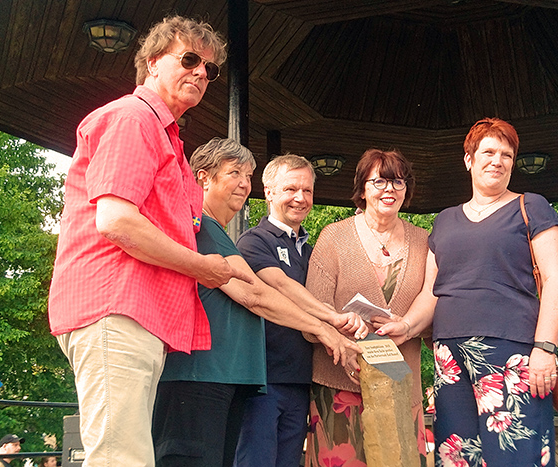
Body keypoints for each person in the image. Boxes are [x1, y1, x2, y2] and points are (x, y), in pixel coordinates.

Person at [47, 16, 251, 467]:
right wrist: (206, 268)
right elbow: (117, 221)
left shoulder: (164, 136)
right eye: (190, 59)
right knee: (122, 458)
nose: (201, 72)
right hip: (116, 306)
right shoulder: (132, 118)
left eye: (210, 69)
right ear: (152, 63)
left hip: (135, 313)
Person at [152, 139, 362, 466]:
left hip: (228, 379)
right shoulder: (201, 229)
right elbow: (256, 295)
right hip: (197, 377)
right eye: (234, 172)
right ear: (203, 177)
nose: (243, 183)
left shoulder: (216, 232)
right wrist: (327, 329)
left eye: (247, 175)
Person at [379, 118, 558, 466]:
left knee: (515, 455)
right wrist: (406, 326)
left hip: (513, 353)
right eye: (489, 152)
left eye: (507, 155)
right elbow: (432, 292)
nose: (497, 161)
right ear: (469, 159)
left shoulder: (532, 207)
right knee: (457, 457)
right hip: (449, 357)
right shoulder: (445, 220)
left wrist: (545, 348)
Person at [233, 154, 368, 467]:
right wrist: (332, 319)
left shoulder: (311, 251)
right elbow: (281, 286)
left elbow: (329, 299)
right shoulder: (253, 242)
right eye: (291, 189)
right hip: (261, 381)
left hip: (301, 380)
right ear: (268, 192)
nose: (300, 198)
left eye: (307, 191)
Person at [303, 148, 430, 466]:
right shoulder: (334, 237)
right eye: (380, 181)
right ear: (362, 188)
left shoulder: (425, 241)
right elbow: (313, 311)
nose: (389, 189)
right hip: (339, 387)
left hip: (400, 384)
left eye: (398, 182)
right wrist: (344, 346)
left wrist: (409, 324)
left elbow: (435, 310)